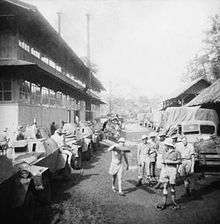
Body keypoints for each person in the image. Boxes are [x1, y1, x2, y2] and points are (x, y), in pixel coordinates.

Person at [157, 138, 181, 210]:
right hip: (165, 168)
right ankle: (164, 203)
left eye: (166, 145)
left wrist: (171, 162)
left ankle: (174, 202)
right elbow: (163, 160)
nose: (165, 146)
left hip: (172, 169)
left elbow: (179, 161)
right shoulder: (164, 151)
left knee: (172, 186)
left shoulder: (176, 152)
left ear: (169, 145)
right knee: (165, 186)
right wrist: (164, 162)